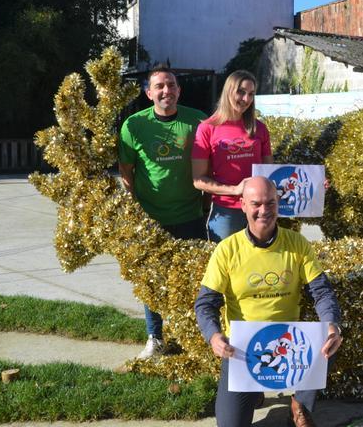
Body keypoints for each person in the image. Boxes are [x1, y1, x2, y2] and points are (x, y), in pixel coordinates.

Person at [194, 177, 343, 427]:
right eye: (256, 203)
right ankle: (253, 391)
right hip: (242, 349)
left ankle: (299, 405)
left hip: (291, 341)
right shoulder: (227, 250)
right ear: (242, 205)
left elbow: (321, 291)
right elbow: (206, 303)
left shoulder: (297, 244)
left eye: (270, 203)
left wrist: (332, 324)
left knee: (328, 340)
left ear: (278, 204)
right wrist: (214, 336)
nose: (264, 210)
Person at [119, 67, 208, 359]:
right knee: (152, 281)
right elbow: (126, 172)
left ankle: (191, 334)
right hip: (152, 220)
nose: (166, 91)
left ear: (179, 90)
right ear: (149, 93)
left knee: (194, 279)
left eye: (171, 85)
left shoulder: (198, 120)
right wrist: (136, 213)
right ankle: (155, 337)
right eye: (159, 86)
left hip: (191, 215)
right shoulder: (133, 126)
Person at [192, 70, 272, 242]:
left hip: (259, 211)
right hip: (226, 212)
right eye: (241, 92)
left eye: (251, 94)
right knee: (224, 264)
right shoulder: (207, 128)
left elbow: (271, 174)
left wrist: (312, 184)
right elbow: (198, 180)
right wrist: (234, 190)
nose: (246, 99)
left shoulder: (260, 128)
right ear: (228, 90)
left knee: (259, 264)